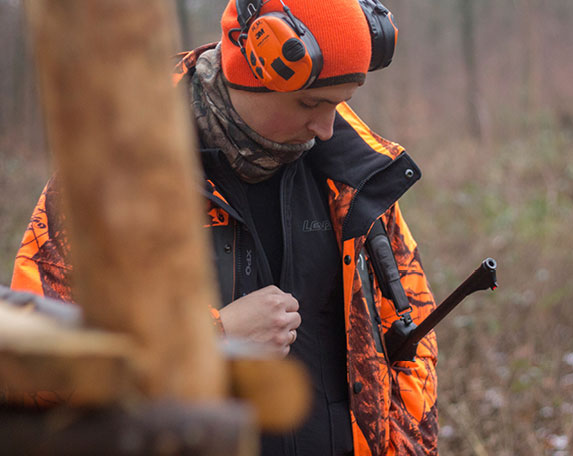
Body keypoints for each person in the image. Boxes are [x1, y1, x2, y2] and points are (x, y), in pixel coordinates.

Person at [12, 0, 439, 454]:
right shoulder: (116, 171)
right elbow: (37, 374)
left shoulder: (355, 173)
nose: (326, 127)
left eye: (341, 103)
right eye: (310, 103)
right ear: (250, 72)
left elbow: (412, 340)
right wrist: (212, 339)